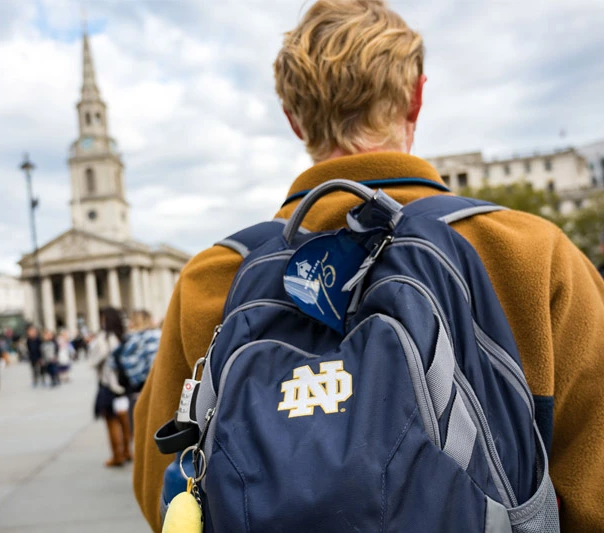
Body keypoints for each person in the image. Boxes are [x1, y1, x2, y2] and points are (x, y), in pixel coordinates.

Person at [132, 1, 604, 531]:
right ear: (417, 97)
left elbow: (165, 492)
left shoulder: (213, 278)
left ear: (292, 117)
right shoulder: (531, 253)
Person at [89, 307, 131, 467]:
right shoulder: (123, 336)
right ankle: (127, 451)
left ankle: (117, 455)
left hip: (109, 385)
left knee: (111, 421)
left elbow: (95, 360)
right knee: (124, 420)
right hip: (123, 384)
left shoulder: (105, 338)